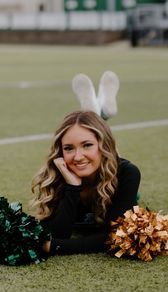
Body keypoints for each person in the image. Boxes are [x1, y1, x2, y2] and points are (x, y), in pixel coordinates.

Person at [31, 71, 141, 255]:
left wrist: (55, 247)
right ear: (60, 151)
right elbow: (57, 233)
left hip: (113, 169)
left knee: (106, 155)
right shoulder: (59, 173)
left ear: (101, 146)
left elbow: (116, 236)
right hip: (86, 169)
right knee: (90, 139)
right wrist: (72, 187)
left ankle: (100, 113)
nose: (78, 156)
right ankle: (100, 113)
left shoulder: (127, 174)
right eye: (68, 148)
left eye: (87, 145)